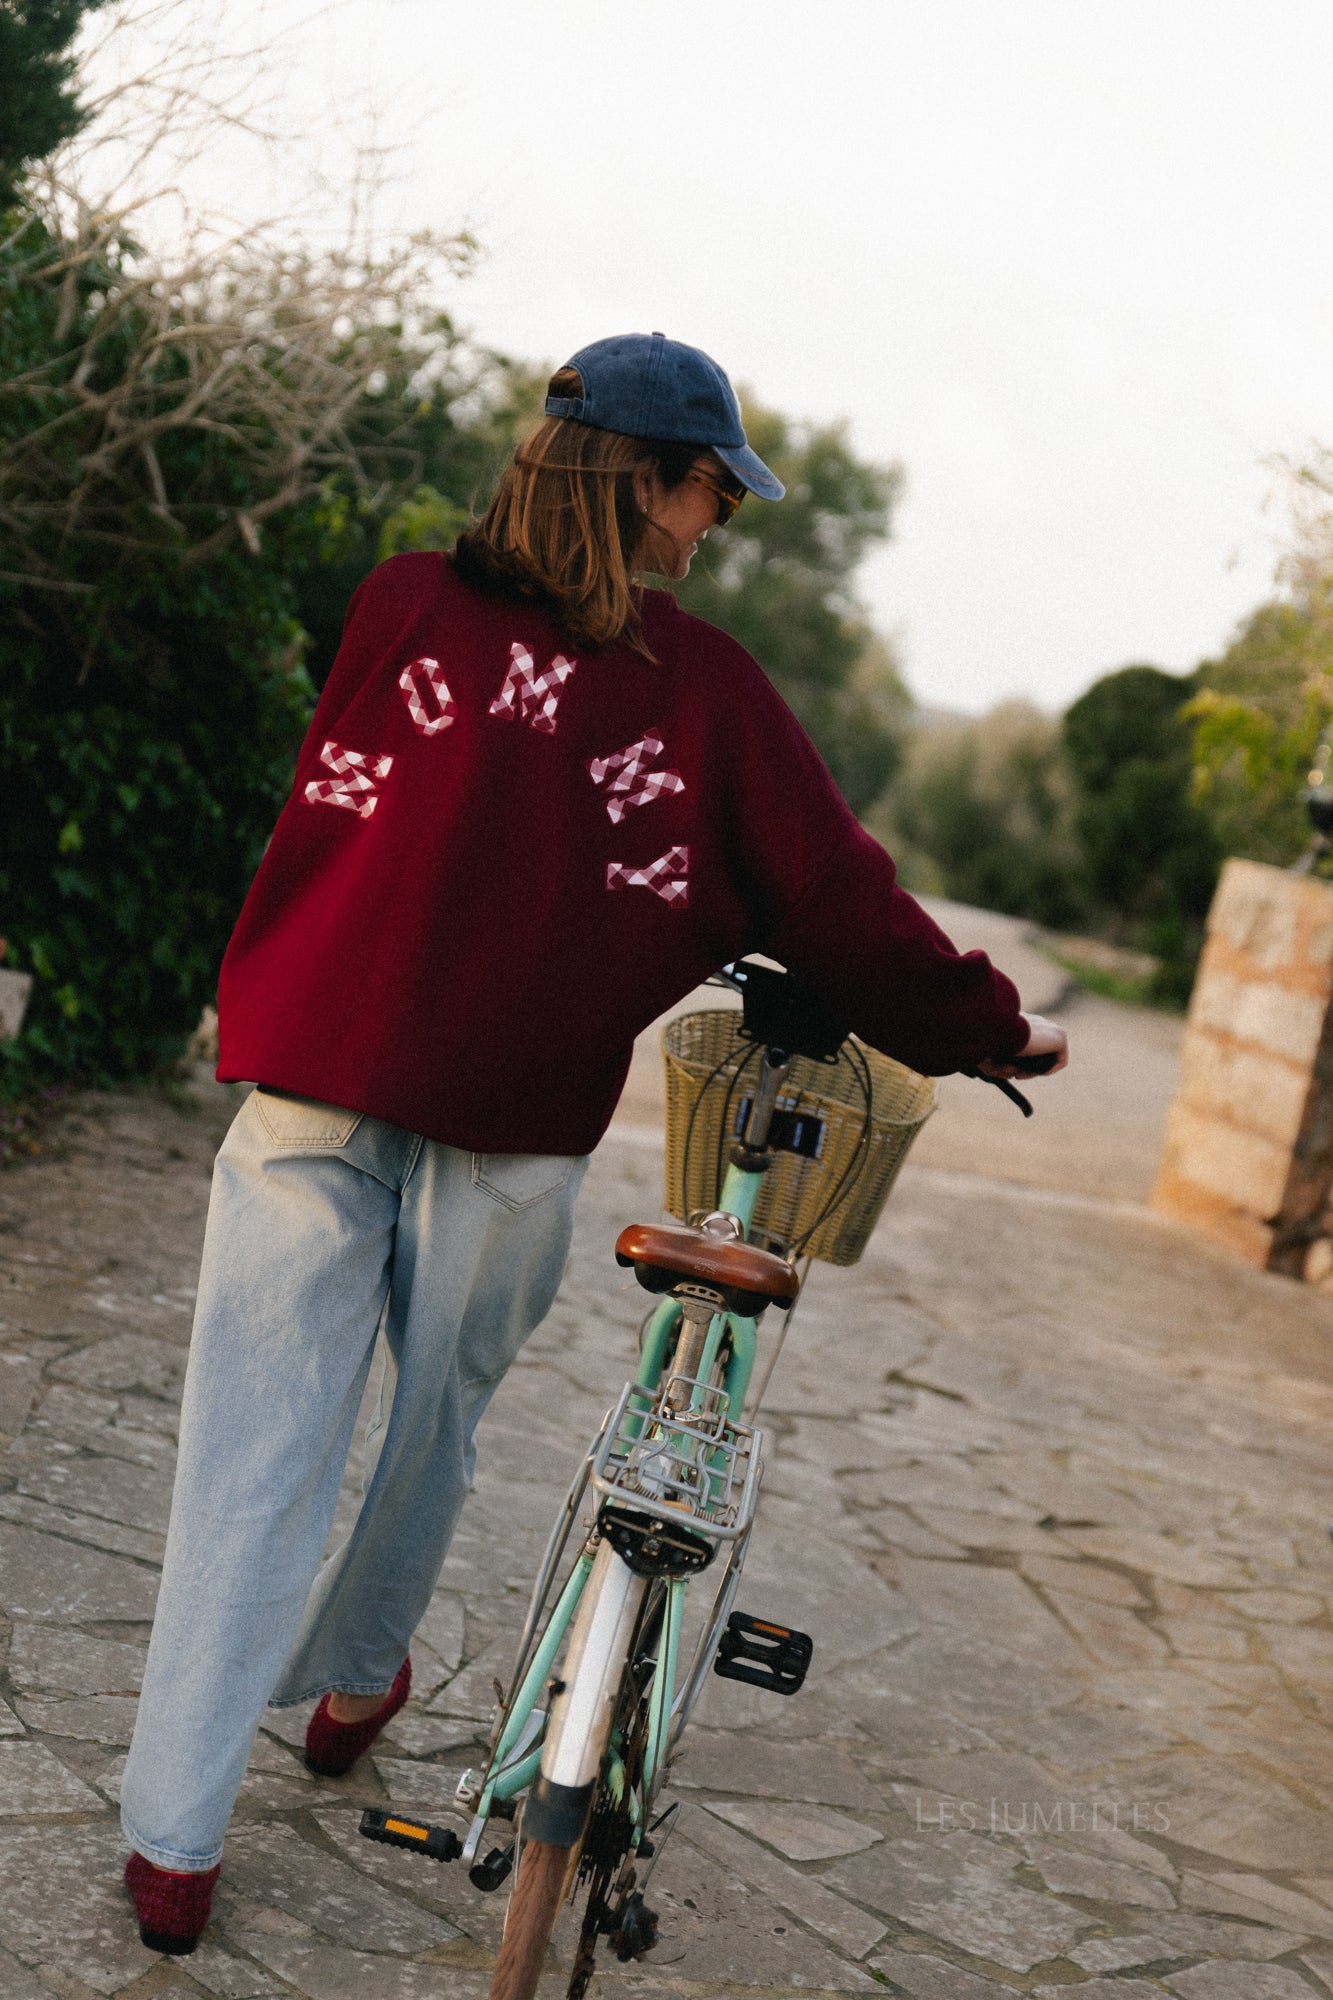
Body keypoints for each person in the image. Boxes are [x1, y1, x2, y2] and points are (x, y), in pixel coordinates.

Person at [119, 330, 1067, 1954]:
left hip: (316, 1079)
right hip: (510, 1122)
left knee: (248, 1455)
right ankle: (357, 1677)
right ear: (646, 481)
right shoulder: (701, 694)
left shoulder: (398, 606)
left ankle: (174, 1847)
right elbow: (834, 898)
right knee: (433, 1423)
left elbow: (348, 819)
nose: (717, 527)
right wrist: (983, 1025)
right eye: (713, 494)